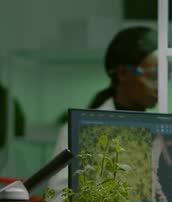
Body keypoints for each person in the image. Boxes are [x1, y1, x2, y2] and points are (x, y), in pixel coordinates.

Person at [48, 26, 158, 192]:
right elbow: (59, 195)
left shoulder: (161, 130)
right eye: (153, 76)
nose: (160, 86)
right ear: (122, 74)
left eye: (166, 77)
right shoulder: (81, 129)